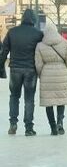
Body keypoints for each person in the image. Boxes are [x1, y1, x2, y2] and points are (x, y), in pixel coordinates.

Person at [1, 8, 43, 136]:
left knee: (14, 97)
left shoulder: (12, 32)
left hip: (15, 69)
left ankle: (13, 123)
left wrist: (1, 65)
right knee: (29, 99)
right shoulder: (38, 34)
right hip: (31, 70)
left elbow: (4, 51)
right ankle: (29, 128)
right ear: (34, 19)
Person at [35, 24, 67, 135]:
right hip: (62, 71)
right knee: (61, 100)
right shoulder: (65, 43)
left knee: (49, 102)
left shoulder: (40, 45)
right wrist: (66, 69)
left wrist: (41, 74)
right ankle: (60, 122)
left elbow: (38, 64)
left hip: (47, 74)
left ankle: (53, 127)